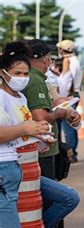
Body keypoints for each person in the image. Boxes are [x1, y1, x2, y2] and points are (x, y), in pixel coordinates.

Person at [22, 39, 80, 228]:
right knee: (55, 201)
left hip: (45, 150)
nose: (49, 63)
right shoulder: (34, 80)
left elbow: (53, 101)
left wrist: (67, 110)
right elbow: (41, 116)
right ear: (42, 59)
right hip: (42, 153)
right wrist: (61, 113)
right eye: (47, 58)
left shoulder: (39, 79)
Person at [0, 41, 51, 228]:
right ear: (2, 72)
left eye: (25, 74)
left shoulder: (21, 97)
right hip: (5, 169)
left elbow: (21, 129)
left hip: (17, 166)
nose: (22, 78)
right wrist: (26, 130)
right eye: (17, 74)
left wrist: (37, 135)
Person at [57, 40, 82, 163]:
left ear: (62, 49)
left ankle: (70, 153)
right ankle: (72, 152)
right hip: (73, 94)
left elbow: (67, 80)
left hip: (68, 94)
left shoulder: (68, 61)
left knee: (67, 126)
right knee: (71, 125)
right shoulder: (75, 60)